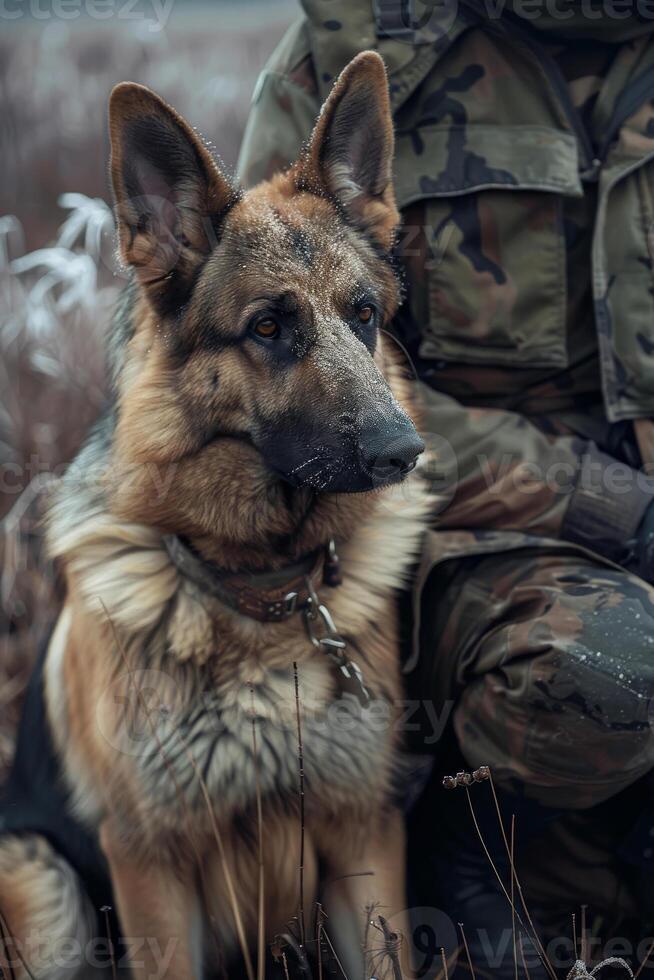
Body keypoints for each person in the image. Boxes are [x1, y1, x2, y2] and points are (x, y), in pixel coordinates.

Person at [237, 2, 654, 976]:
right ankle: (471, 841)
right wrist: (605, 499)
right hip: (461, 532)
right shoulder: (372, 50)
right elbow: (271, 368)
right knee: (622, 660)